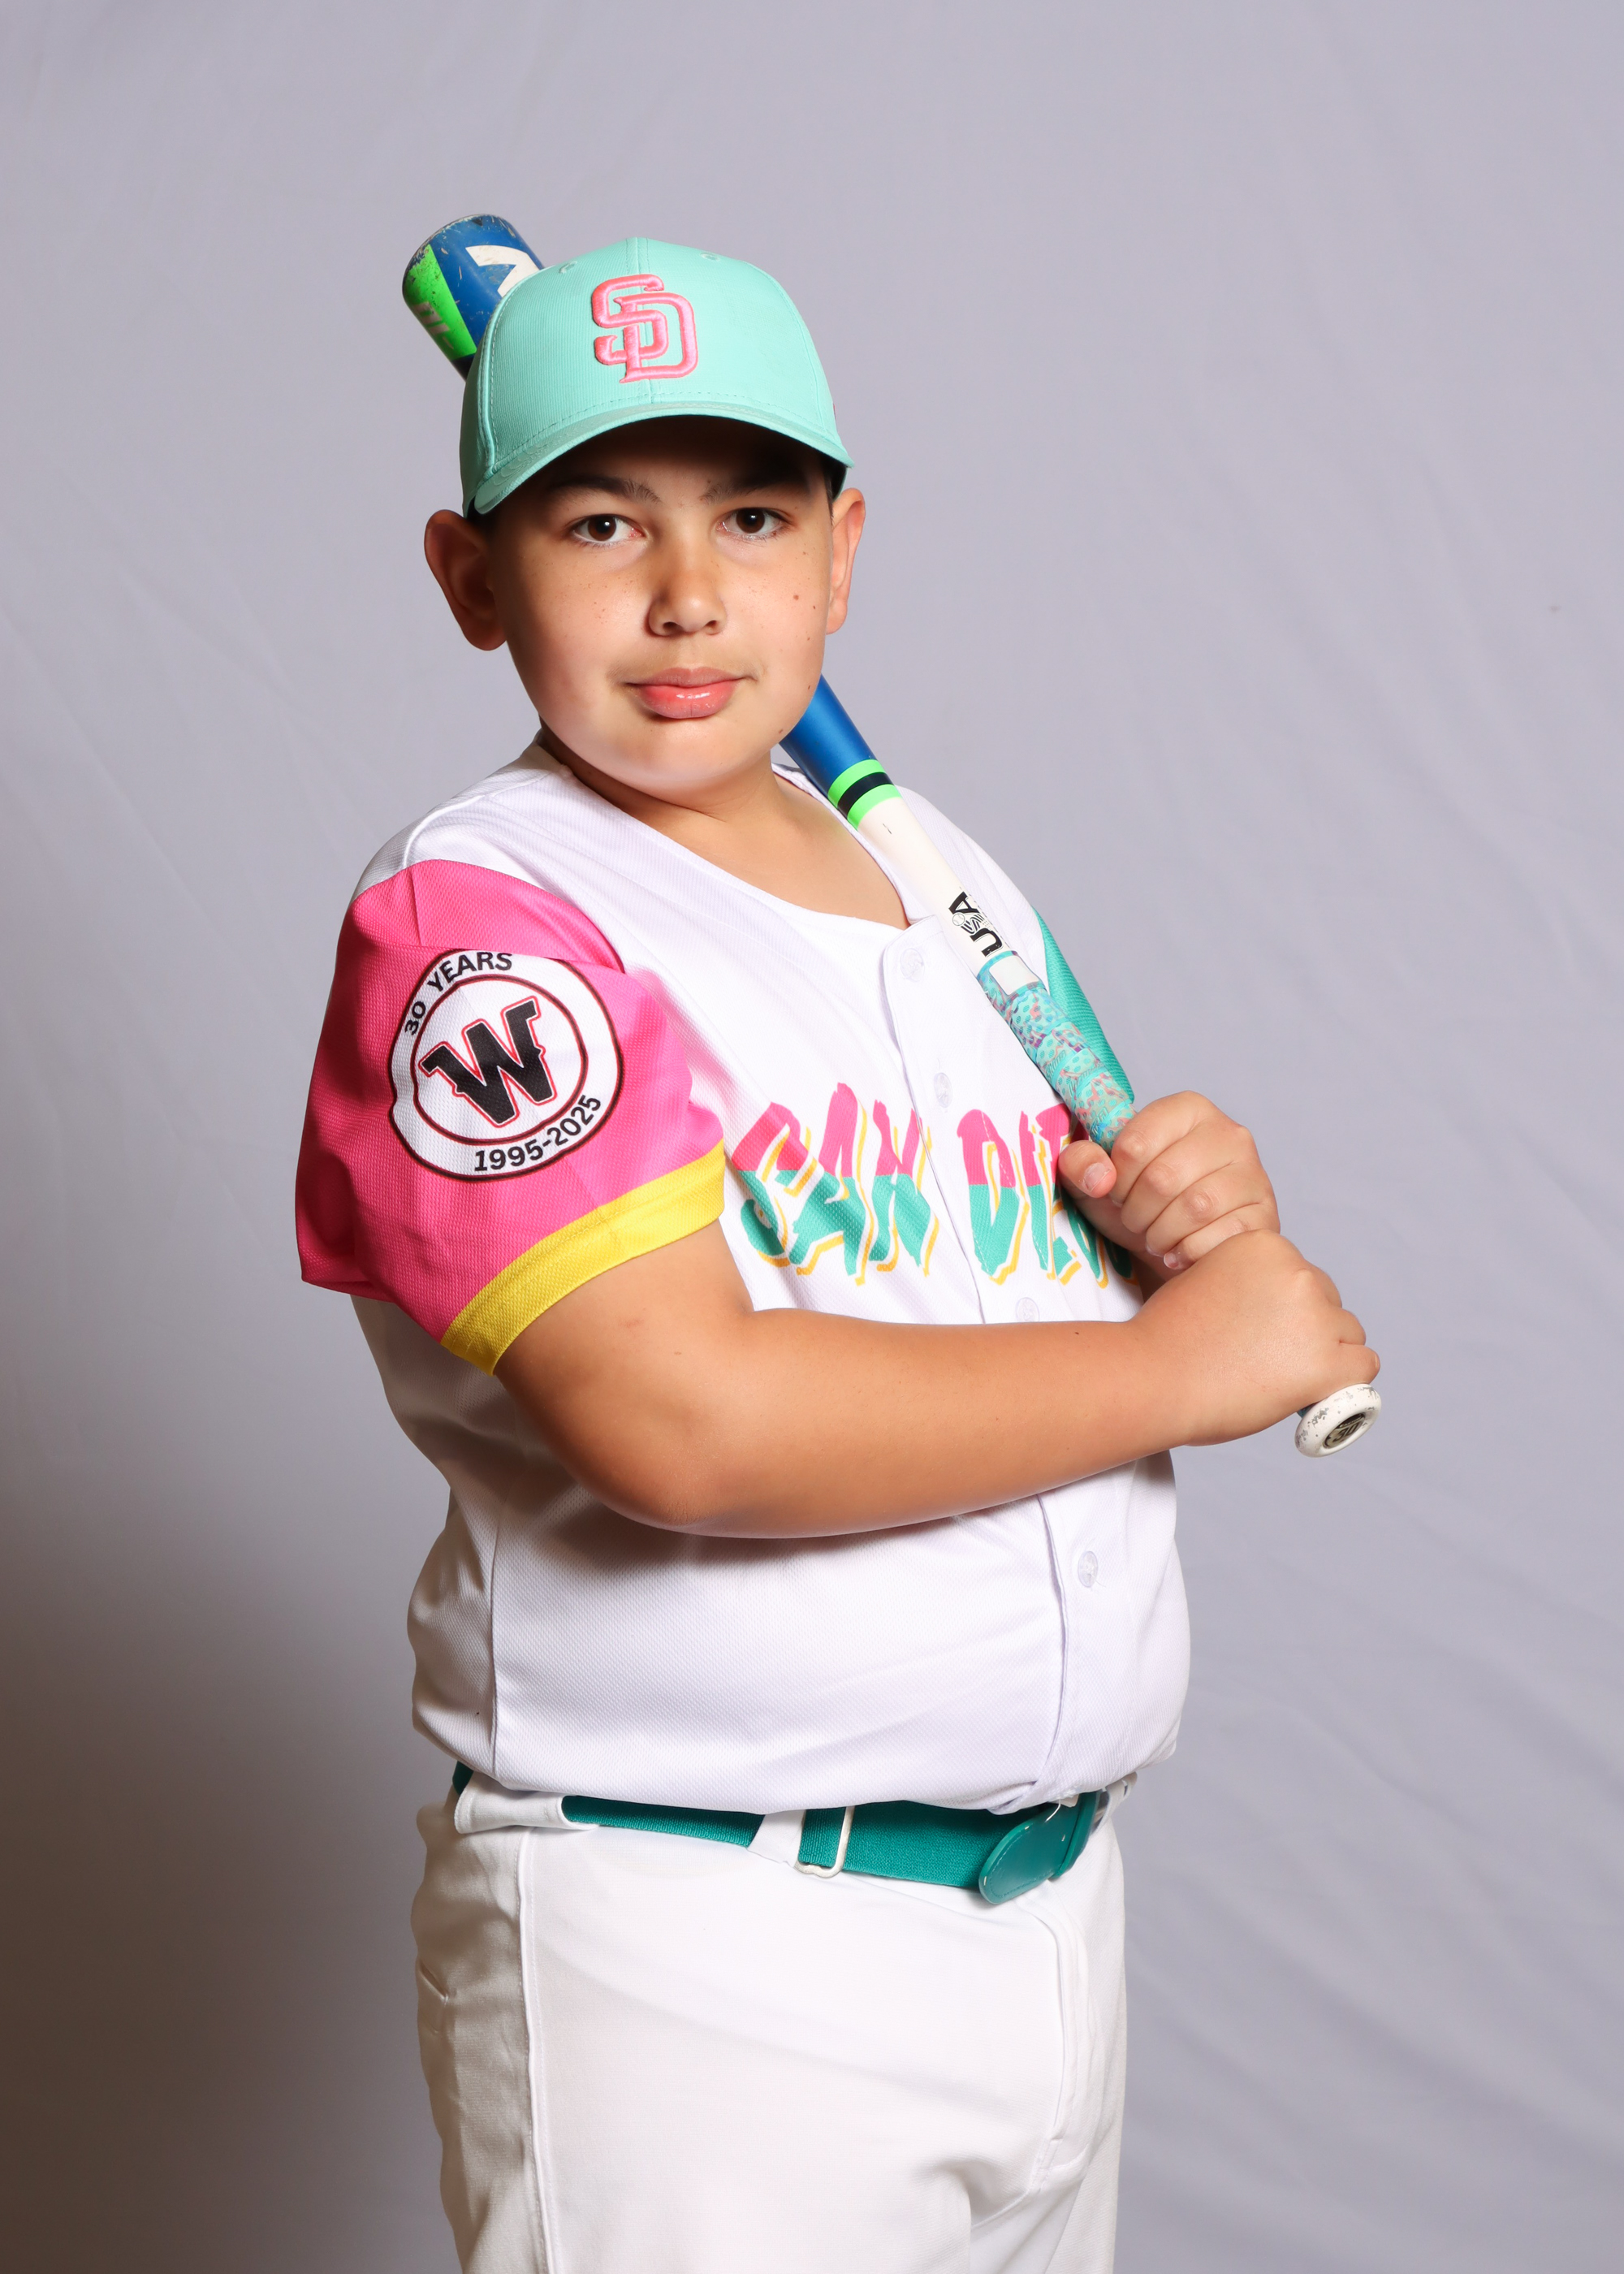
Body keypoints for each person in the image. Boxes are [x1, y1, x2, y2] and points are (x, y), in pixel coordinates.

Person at [296, 236, 1376, 2274]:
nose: (687, 595)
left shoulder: (931, 874)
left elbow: (968, 1305)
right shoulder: (489, 919)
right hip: (705, 1958)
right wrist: (1184, 1365)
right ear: (469, 578)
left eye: (752, 516)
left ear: (842, 552)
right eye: (599, 523)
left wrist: (1163, 1225)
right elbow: (680, 1417)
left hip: (1047, 1923)